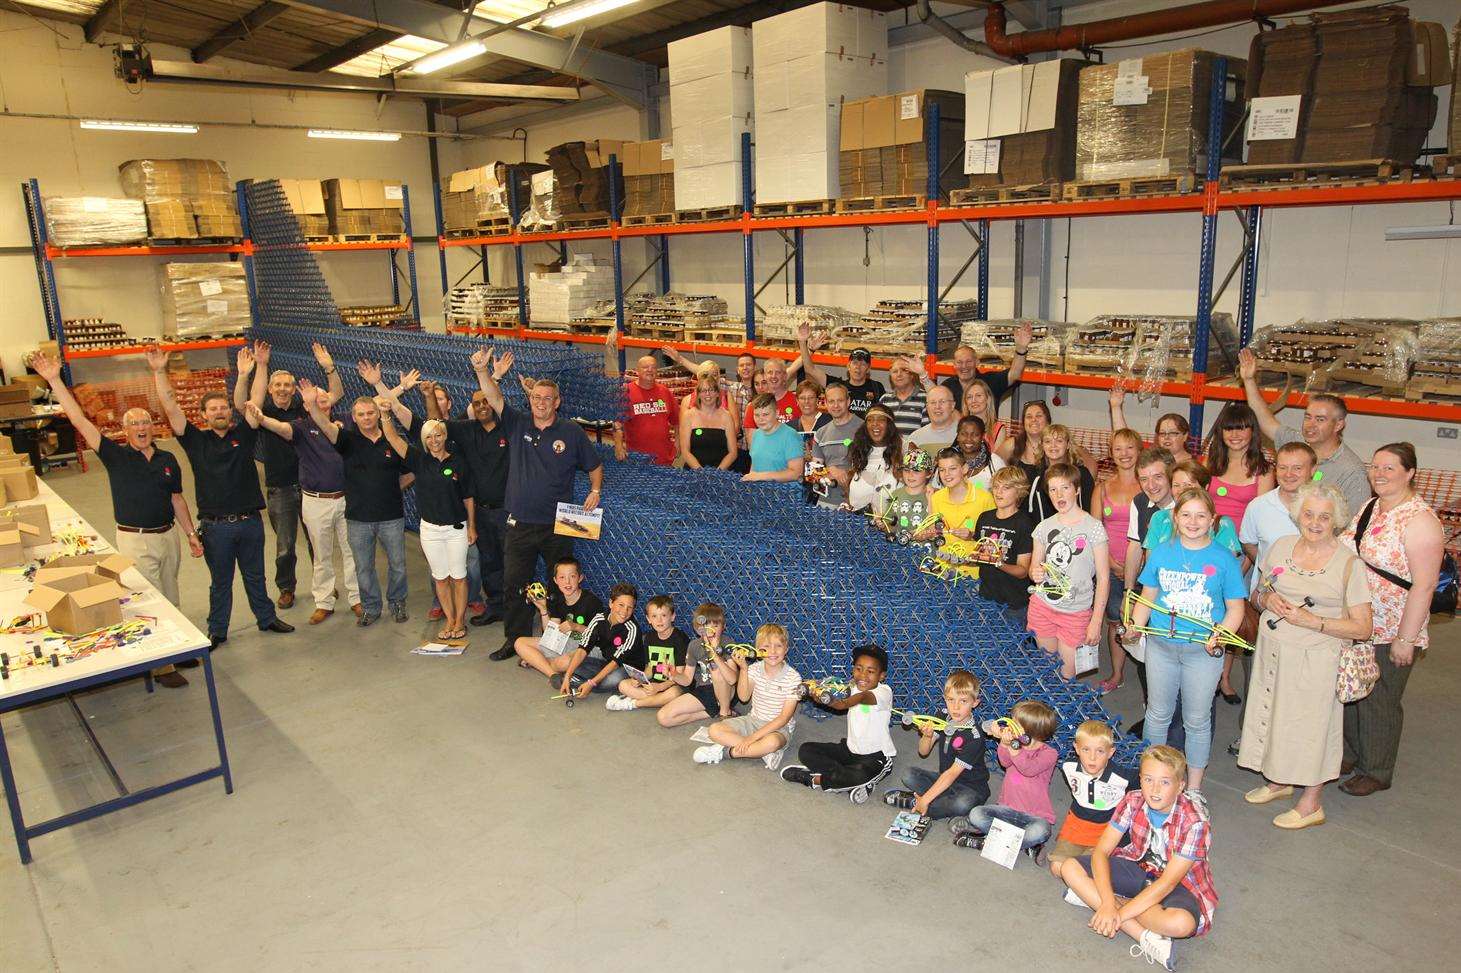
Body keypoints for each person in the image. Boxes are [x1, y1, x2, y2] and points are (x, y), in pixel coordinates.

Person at [31, 351, 203, 688]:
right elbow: (80, 420)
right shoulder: (115, 456)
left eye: (145, 422)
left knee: (171, 592)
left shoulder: (168, 458)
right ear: (124, 430)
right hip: (135, 538)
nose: (141, 427)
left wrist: (190, 533)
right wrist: (53, 380)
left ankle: (175, 647)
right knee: (150, 599)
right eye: (134, 423)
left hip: (167, 534)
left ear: (153, 427)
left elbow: (177, 498)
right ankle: (160, 665)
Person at [1240, 483, 1371, 829]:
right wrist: (1266, 601)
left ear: (1336, 521)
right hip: (1273, 650)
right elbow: (1260, 590)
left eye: (1324, 517)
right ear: (1298, 515)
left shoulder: (1348, 563)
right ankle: (1280, 780)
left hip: (1317, 657)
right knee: (1276, 716)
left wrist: (1313, 621)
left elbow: (1362, 627)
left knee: (1313, 728)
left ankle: (1311, 801)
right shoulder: (1282, 547)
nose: (1315, 523)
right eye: (1309, 514)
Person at [156, 349, 292, 649]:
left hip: (250, 523)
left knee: (256, 576)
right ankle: (217, 629)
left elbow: (255, 402)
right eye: (213, 409)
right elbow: (170, 406)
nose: (220, 412)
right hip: (216, 528)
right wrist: (158, 371)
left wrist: (259, 367)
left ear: (230, 412)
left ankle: (266, 618)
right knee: (220, 584)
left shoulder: (242, 435)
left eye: (223, 408)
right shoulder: (194, 441)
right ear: (203, 415)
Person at [476, 348, 605, 662]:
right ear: (530, 399)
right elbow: (494, 399)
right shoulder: (518, 424)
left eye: (547, 398)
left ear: (556, 402)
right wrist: (483, 372)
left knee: (560, 584)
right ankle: (515, 639)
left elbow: (594, 465)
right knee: (515, 583)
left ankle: (556, 641)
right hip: (519, 521)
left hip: (558, 524)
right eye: (536, 397)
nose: (541, 402)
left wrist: (596, 489)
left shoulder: (572, 433)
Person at [1338, 443, 1444, 797]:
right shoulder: (1371, 508)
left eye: (1389, 469)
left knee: (1380, 698)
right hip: (1359, 620)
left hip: (1392, 625)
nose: (1379, 474)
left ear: (1410, 472)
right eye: (1375, 467)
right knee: (1353, 689)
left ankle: (1377, 769)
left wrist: (1406, 638)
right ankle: (1351, 754)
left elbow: (1425, 584)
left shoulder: (1421, 521)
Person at [1058, 745, 1217, 971]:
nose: (1154, 789)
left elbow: (1168, 882)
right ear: (1140, 779)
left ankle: (1097, 899)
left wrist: (1114, 912)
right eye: (1148, 779)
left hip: (1178, 884)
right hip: (1138, 866)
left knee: (1180, 924)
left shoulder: (1195, 821)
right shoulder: (1132, 799)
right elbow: (1102, 851)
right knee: (1069, 867)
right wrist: (1108, 906)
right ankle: (1143, 936)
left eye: (1165, 782)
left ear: (1181, 786)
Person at [1130, 488, 1247, 792]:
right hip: (1161, 646)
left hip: (1202, 652)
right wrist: (1135, 626)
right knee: (1157, 714)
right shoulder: (1163, 553)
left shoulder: (1224, 559)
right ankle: (1151, 780)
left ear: (1213, 520)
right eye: (1186, 515)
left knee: (1196, 720)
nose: (1193, 522)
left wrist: (1219, 635)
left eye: (1200, 515)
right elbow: (1147, 598)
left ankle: (1193, 789)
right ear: (1175, 517)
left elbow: (1236, 608)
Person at [304, 367, 420, 628]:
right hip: (358, 519)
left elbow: (413, 468)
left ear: (378, 414)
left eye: (370, 413)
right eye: (360, 415)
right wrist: (312, 405)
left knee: (398, 565)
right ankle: (370, 607)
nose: (366, 418)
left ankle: (398, 603)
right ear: (353, 418)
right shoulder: (346, 441)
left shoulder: (392, 440)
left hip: (391, 516)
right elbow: (323, 423)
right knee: (363, 567)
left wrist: (395, 487)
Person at [237, 340, 341, 611]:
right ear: (270, 390)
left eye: (287, 385)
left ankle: (325, 587)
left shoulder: (303, 410)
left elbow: (334, 396)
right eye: (277, 385)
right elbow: (245, 404)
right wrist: (260, 366)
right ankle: (286, 588)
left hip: (309, 488)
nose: (283, 389)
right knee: (285, 546)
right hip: (279, 488)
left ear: (295, 390)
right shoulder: (264, 412)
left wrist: (329, 368)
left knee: (317, 544)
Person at [246, 381, 361, 624]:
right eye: (315, 401)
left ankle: (356, 598)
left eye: (324, 399)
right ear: (308, 406)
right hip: (316, 501)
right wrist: (262, 418)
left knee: (353, 551)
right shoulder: (300, 428)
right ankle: (324, 601)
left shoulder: (347, 421)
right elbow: (279, 427)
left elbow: (371, 410)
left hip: (346, 499)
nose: (322, 404)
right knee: (321, 554)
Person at [381, 408, 476, 642]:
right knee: (441, 577)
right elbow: (393, 438)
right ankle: (449, 619)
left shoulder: (459, 463)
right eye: (429, 437)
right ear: (424, 440)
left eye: (438, 435)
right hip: (430, 530)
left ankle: (459, 620)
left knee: (459, 577)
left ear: (445, 437)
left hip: (457, 529)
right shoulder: (418, 460)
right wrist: (385, 415)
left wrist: (472, 526)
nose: (434, 441)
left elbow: (468, 497)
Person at [1239, 347, 1371, 516]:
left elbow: (1354, 524)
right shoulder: (1296, 443)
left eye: (1320, 419)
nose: (1310, 424)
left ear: (1339, 425)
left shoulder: (1351, 471)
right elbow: (1265, 421)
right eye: (1308, 417)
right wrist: (1249, 380)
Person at [423, 382, 509, 627]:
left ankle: (515, 610)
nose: (482, 406)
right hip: (481, 511)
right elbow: (435, 425)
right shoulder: (467, 430)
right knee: (489, 562)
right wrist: (430, 396)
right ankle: (495, 607)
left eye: (486, 401)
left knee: (511, 562)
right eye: (477, 403)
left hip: (507, 510)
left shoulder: (509, 429)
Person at [1029, 463, 1110, 679]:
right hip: (1043, 607)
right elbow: (1034, 567)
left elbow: (1103, 578)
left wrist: (1096, 621)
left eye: (1065, 488)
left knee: (1066, 674)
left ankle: (1062, 711)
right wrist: (1035, 572)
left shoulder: (1093, 528)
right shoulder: (1043, 527)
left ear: (1077, 489)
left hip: (1076, 612)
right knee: (1047, 668)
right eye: (1053, 489)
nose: (1059, 494)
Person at [781, 644, 896, 795]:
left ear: (881, 675)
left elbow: (859, 698)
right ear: (853, 669)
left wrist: (838, 703)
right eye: (858, 668)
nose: (863, 675)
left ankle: (815, 780)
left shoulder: (883, 692)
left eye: (871, 671)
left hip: (876, 756)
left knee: (859, 774)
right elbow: (835, 691)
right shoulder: (853, 686)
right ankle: (846, 779)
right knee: (806, 750)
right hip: (850, 750)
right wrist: (818, 692)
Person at [1109, 448, 1177, 702]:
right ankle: (1153, 710)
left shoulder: (1184, 507)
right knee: (1145, 657)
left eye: (1158, 477)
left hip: (1176, 598)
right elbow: (1135, 546)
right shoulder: (1140, 502)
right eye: (1145, 478)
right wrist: (1129, 592)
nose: (1151, 485)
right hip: (1148, 590)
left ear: (1171, 475)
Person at [951, 700, 1059, 855]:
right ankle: (1025, 845)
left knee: (1041, 831)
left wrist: (1013, 747)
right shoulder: (1015, 744)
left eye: (1016, 724)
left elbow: (1027, 769)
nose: (1010, 726)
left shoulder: (1049, 753)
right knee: (976, 814)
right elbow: (1004, 762)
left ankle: (987, 840)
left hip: (1034, 815)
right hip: (1006, 809)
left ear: (1030, 730)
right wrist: (1004, 743)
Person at [693, 622, 802, 770]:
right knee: (714, 730)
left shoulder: (794, 677)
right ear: (758, 650)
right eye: (767, 646)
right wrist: (743, 669)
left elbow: (784, 718)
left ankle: (725, 752)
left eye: (778, 646)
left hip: (778, 728)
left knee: (772, 743)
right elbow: (744, 697)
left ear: (786, 649)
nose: (773, 651)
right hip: (753, 720)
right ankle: (761, 752)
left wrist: (751, 739)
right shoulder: (754, 669)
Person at [883, 669, 990, 819]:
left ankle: (919, 803)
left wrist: (926, 799)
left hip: (971, 788)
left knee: (963, 803)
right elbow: (923, 751)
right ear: (945, 698)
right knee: (908, 774)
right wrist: (927, 736)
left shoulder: (974, 736)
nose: (956, 707)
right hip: (944, 780)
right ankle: (930, 801)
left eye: (963, 701)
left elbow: (952, 773)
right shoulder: (942, 716)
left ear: (975, 703)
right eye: (951, 699)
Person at [1047, 720, 1138, 875]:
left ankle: (1082, 883)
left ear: (1110, 752)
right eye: (1086, 749)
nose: (1092, 757)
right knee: (1057, 868)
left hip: (1105, 833)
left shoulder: (1121, 777)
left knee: (1088, 871)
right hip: (1075, 828)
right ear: (1076, 748)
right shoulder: (1068, 767)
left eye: (1100, 751)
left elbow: (1143, 781)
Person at [1092, 429, 1142, 695]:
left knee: (1144, 621)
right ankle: (1117, 673)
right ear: (1111, 453)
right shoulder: (1102, 488)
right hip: (1110, 566)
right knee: (1115, 619)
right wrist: (1110, 563)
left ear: (1138, 450)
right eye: (1118, 449)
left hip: (1144, 565)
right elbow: (1095, 529)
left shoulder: (1148, 485)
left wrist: (1140, 562)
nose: (1124, 454)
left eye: (1129, 448)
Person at [511, 557, 605, 678]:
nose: (567, 582)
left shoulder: (591, 602)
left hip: (587, 647)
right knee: (519, 643)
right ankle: (552, 674)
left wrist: (576, 626)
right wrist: (543, 609)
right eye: (562, 577)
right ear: (555, 580)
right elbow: (550, 634)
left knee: (564, 662)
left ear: (580, 578)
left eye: (572, 576)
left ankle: (539, 662)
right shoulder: (558, 600)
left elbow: (601, 636)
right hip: (564, 643)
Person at [1239, 442, 1316, 585]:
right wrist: (1268, 565)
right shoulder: (1258, 506)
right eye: (1282, 467)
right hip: (1265, 593)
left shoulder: (1322, 507)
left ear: (1313, 470)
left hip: (1310, 592)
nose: (1288, 474)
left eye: (1297, 468)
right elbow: (1248, 543)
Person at [606, 594, 691, 713]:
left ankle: (634, 703)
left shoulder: (680, 639)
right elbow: (650, 667)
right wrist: (640, 679)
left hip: (674, 685)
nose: (659, 620)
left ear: (672, 617)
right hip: (655, 685)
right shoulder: (649, 637)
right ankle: (658, 701)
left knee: (674, 693)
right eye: (654, 616)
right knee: (623, 685)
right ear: (648, 619)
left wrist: (660, 687)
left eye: (664, 615)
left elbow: (680, 675)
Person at [658, 603, 739, 726]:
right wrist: (673, 674)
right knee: (664, 717)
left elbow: (732, 679)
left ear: (723, 627)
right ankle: (712, 712)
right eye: (706, 626)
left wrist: (714, 654)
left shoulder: (727, 643)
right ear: (698, 628)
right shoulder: (694, 645)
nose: (711, 631)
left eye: (716, 625)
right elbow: (686, 680)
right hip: (705, 690)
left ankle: (725, 712)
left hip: (728, 691)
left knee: (715, 670)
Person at [557, 584, 641, 699]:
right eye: (621, 605)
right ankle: (578, 680)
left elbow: (615, 662)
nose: (624, 611)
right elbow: (582, 649)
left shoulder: (632, 629)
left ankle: (585, 683)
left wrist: (591, 683)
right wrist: (568, 676)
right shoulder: (599, 619)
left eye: (629, 607)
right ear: (611, 603)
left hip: (627, 668)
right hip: (606, 662)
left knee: (613, 679)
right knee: (570, 664)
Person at [973, 466, 1034, 621]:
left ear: (1019, 491)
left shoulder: (1024, 524)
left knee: (1013, 644)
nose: (999, 492)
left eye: (1006, 488)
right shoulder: (984, 518)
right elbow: (979, 556)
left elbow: (1023, 571)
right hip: (986, 597)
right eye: (996, 486)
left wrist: (998, 563)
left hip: (1014, 602)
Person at [1203, 401, 1274, 530]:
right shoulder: (1209, 462)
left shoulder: (1264, 471)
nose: (1234, 435)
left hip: (1243, 544)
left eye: (1241, 428)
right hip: (1206, 538)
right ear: (1221, 432)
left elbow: (1262, 516)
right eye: (1229, 429)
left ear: (1253, 431)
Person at [924, 448, 995, 562]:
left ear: (964, 468)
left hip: (973, 570)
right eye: (942, 470)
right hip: (943, 568)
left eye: (952, 468)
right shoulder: (936, 498)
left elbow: (994, 536)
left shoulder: (985, 498)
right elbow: (934, 533)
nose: (947, 474)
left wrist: (972, 535)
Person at [941, 322, 1032, 407]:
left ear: (977, 362)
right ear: (954, 365)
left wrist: (1021, 349)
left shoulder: (990, 382)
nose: (964, 366)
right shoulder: (947, 387)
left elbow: (1015, 373)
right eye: (959, 362)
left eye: (968, 362)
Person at [614, 354, 679, 466]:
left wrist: (678, 443)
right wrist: (618, 446)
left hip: (664, 459)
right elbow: (617, 423)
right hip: (637, 460)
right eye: (645, 367)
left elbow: (677, 421)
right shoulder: (626, 392)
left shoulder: (665, 392)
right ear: (637, 371)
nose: (650, 370)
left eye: (653, 367)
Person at [808, 383, 862, 509]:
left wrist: (848, 474)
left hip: (857, 503)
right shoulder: (820, 433)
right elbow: (814, 472)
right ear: (825, 404)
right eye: (831, 401)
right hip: (826, 502)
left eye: (840, 400)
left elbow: (870, 467)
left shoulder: (863, 429)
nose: (836, 405)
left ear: (848, 401)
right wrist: (832, 470)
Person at [1028, 424, 1095, 522]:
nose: (1053, 445)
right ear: (1042, 445)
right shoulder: (1034, 475)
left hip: (1075, 533)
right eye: (1048, 441)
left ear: (1068, 445)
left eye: (1059, 441)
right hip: (1043, 535)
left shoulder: (1082, 475)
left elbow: (1089, 509)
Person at [1110, 387, 1192, 466]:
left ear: (1185, 436)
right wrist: (1116, 407)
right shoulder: (1151, 460)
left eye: (1173, 433)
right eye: (1162, 433)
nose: (1167, 437)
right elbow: (1123, 439)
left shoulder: (1196, 464)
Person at [845, 405, 901, 512]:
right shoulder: (858, 451)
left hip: (887, 524)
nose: (875, 424)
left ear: (889, 425)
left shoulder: (901, 453)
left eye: (881, 420)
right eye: (870, 420)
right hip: (857, 522)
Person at [679, 374, 738, 471]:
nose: (707, 394)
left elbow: (733, 453)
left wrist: (717, 472)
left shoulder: (727, 416)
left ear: (717, 393)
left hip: (721, 473)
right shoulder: (688, 416)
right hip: (694, 473)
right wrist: (701, 472)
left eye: (711, 390)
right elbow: (685, 451)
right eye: (703, 390)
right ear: (697, 394)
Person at [873, 447, 934, 541]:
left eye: (917, 470)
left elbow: (940, 528)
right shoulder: (895, 494)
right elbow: (890, 526)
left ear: (929, 473)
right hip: (900, 551)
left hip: (927, 553)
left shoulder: (935, 495)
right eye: (906, 470)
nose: (910, 474)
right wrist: (882, 525)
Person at [742, 393, 805, 482]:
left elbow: (796, 473)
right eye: (757, 415)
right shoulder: (756, 434)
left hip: (784, 493)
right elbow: (754, 468)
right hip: (760, 492)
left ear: (777, 413)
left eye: (765, 414)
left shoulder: (791, 436)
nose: (761, 419)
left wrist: (761, 476)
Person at [741, 357, 800, 430]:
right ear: (765, 376)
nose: (773, 376)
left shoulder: (797, 401)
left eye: (778, 372)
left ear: (784, 376)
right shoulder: (754, 405)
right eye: (770, 372)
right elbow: (751, 438)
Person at [1000, 399, 1051, 480]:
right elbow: (990, 471)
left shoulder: (1055, 446)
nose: (1033, 420)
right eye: (1029, 417)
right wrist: (979, 486)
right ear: (1023, 423)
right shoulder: (1011, 445)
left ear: (1048, 421)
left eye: (1039, 416)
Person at [877, 357, 929, 436]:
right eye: (895, 371)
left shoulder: (925, 399)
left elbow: (926, 433)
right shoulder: (884, 399)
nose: (899, 374)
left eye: (904, 370)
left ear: (912, 374)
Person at [955, 414, 1003, 491]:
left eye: (975, 435)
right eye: (964, 434)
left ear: (982, 436)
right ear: (958, 436)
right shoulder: (948, 461)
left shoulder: (995, 463)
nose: (969, 439)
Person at [906, 383, 959, 454]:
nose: (937, 406)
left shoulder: (964, 436)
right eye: (933, 402)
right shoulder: (915, 439)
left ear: (952, 405)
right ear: (927, 407)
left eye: (942, 402)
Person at [792, 379, 830, 454]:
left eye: (811, 397)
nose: (806, 402)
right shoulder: (790, 426)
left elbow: (846, 442)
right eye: (802, 398)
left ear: (817, 400)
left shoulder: (829, 422)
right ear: (797, 401)